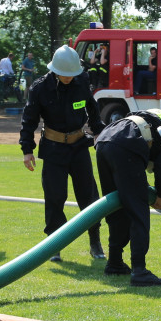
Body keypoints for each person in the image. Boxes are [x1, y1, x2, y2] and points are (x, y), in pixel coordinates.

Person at [20, 45, 106, 263]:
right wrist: (27, 150)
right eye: (65, 74)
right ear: (55, 70)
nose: (69, 78)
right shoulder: (40, 88)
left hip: (78, 148)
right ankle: (54, 245)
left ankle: (95, 241)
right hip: (53, 149)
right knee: (55, 197)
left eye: (72, 74)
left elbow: (92, 110)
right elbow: (29, 120)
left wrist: (100, 133)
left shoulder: (82, 82)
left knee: (89, 197)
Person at [94, 108, 161, 287]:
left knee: (116, 206)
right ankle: (139, 271)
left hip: (106, 137)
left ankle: (115, 262)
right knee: (138, 210)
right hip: (127, 144)